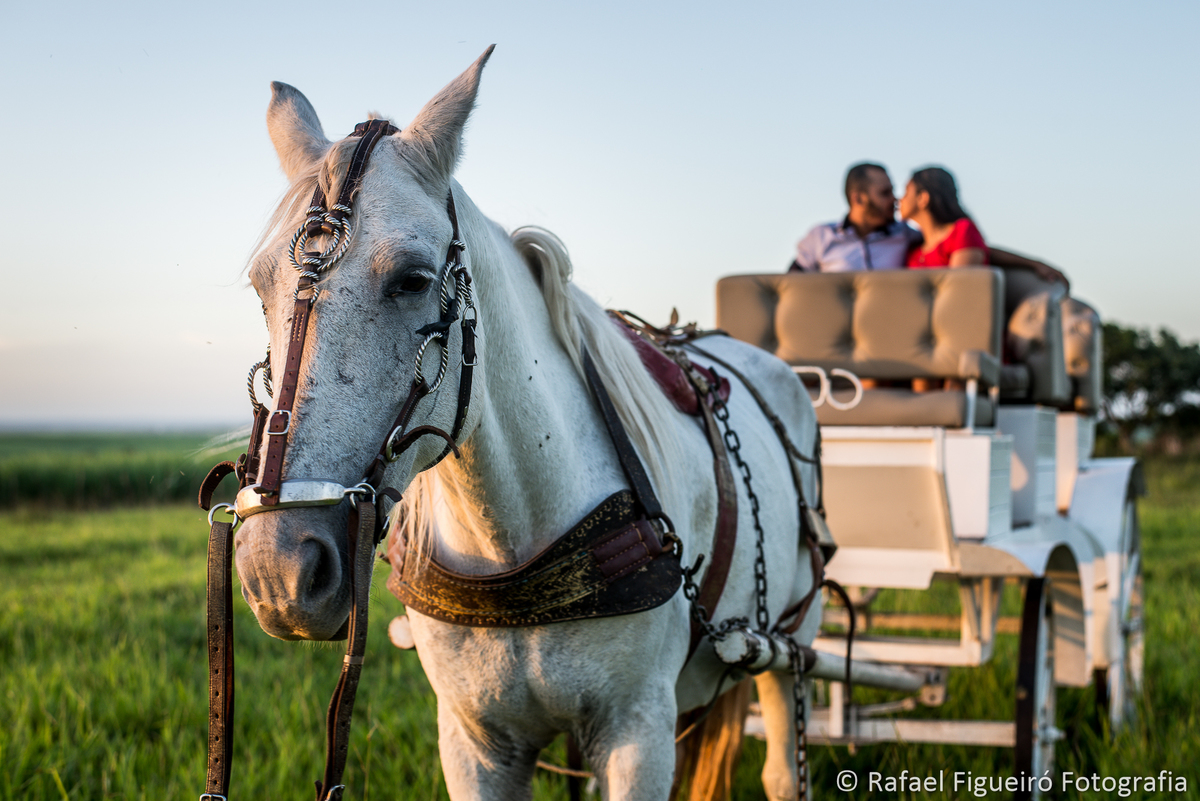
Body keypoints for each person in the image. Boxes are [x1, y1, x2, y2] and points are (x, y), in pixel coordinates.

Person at [789, 162, 1070, 289]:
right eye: (885, 193)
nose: (895, 200)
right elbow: (788, 287)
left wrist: (1033, 264)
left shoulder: (906, 237)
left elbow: (967, 247)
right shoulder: (820, 237)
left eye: (898, 191)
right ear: (858, 198)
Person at [899, 166, 987, 268]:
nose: (900, 199)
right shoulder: (912, 249)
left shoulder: (962, 232)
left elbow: (959, 278)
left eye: (906, 192)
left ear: (923, 198)